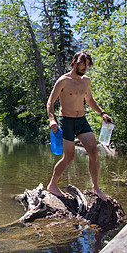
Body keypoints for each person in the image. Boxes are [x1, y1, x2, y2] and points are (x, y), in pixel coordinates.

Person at [46, 50, 112, 201]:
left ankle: (96, 187)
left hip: (81, 121)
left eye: (87, 65)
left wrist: (102, 113)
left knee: (94, 152)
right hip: (66, 121)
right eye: (83, 64)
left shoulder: (86, 81)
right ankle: (52, 185)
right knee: (69, 157)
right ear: (75, 62)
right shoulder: (63, 81)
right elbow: (50, 102)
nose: (85, 68)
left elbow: (89, 99)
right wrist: (52, 120)